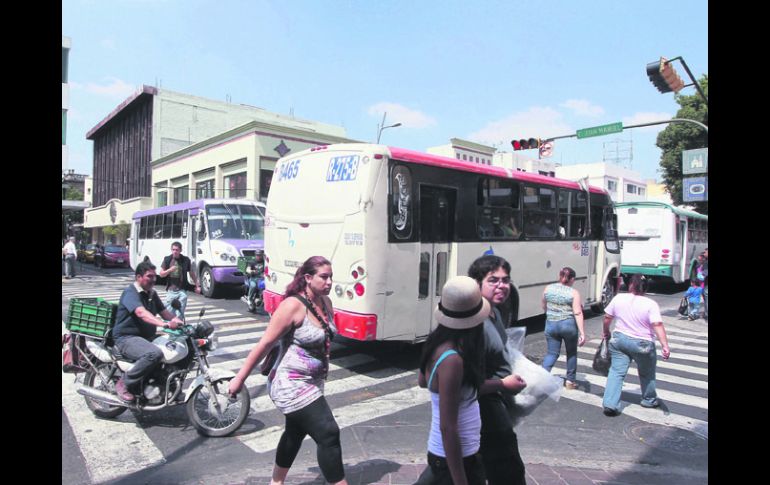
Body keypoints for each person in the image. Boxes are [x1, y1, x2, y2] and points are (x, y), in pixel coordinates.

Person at [228, 256, 348, 485]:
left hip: (312, 383)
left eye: (331, 276)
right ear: (308, 277)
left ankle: (276, 482)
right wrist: (239, 379)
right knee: (328, 432)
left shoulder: (326, 302)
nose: (329, 282)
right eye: (324, 277)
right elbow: (265, 344)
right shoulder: (292, 306)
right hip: (289, 383)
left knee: (295, 431)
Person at [415, 275, 525, 485]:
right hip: (455, 459)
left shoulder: (437, 342)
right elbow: (448, 427)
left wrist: (500, 384)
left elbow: (423, 381)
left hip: (458, 454)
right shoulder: (453, 359)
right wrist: (460, 481)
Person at [467, 255, 528, 485]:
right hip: (485, 409)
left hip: (498, 405)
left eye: (505, 280)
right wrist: (503, 384)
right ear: (477, 283)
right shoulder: (474, 323)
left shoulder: (496, 312)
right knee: (509, 472)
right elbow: (466, 382)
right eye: (493, 280)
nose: (502, 285)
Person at [112, 261, 183, 402]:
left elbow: (164, 312)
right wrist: (164, 324)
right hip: (126, 337)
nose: (153, 280)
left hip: (146, 337)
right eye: (149, 276)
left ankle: (164, 387)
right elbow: (141, 312)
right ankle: (123, 383)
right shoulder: (130, 292)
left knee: (172, 347)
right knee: (153, 353)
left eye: (154, 276)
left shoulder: (151, 293)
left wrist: (178, 321)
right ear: (138, 277)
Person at [601, 274, 671, 417]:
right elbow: (657, 324)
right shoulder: (650, 304)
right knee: (647, 373)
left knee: (616, 372)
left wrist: (606, 332)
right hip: (642, 344)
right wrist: (665, 345)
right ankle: (649, 399)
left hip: (620, 340)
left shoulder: (619, 298)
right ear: (645, 287)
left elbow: (607, 318)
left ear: (630, 285)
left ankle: (610, 403)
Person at [540, 267, 586, 389]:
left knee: (552, 353)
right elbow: (577, 312)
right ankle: (570, 381)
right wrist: (582, 333)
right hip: (568, 325)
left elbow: (544, 306)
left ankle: (540, 379)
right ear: (572, 279)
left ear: (559, 276)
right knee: (571, 353)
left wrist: (551, 315)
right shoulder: (573, 293)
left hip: (551, 324)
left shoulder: (548, 288)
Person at [159, 242, 200, 321]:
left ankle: (179, 325)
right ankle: (170, 325)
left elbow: (191, 273)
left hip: (181, 289)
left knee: (180, 311)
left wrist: (197, 285)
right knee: (170, 311)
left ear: (180, 250)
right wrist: (170, 270)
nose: (175, 251)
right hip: (171, 290)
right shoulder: (167, 259)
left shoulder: (185, 260)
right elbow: (161, 274)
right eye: (173, 249)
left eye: (177, 250)